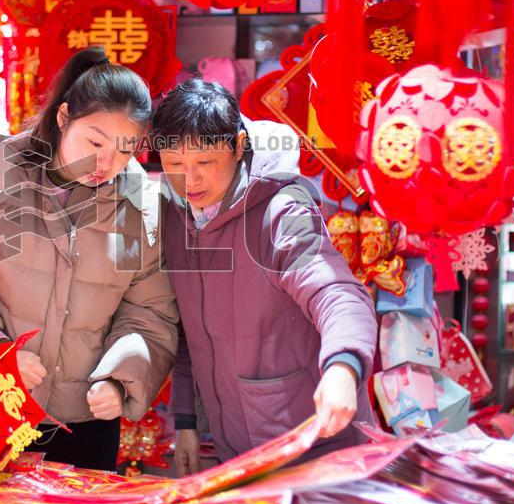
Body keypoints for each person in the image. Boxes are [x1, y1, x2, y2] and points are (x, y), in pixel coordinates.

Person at [0, 47, 179, 472]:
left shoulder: (136, 206)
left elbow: (145, 311)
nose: (106, 164)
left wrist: (121, 378)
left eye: (125, 151)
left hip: (84, 424)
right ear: (64, 116)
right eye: (94, 141)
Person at [151, 79, 378, 475]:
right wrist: (187, 421)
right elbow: (190, 330)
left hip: (316, 444)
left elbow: (338, 294)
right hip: (235, 452)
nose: (191, 181)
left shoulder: (281, 212)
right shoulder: (177, 217)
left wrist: (343, 368)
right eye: (174, 165)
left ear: (239, 146)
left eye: (205, 163)